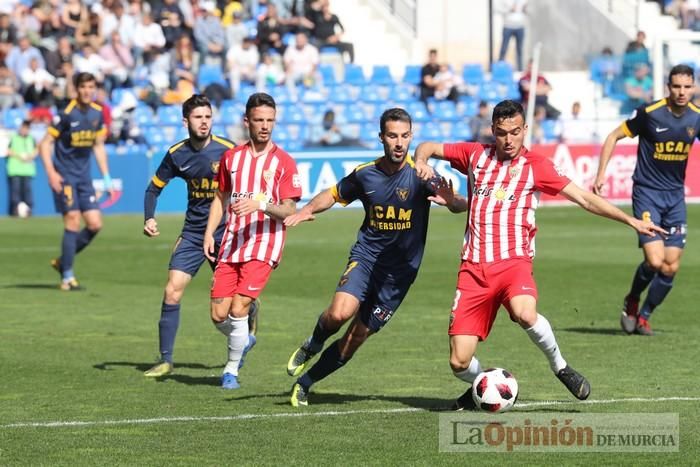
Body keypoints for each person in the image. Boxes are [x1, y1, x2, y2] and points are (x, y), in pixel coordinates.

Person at [414, 99, 663, 410]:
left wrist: (630, 220)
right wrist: (421, 161)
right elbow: (427, 146)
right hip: (473, 269)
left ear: (525, 129)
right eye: (502, 132)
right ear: (492, 131)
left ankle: (560, 366)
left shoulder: (537, 167)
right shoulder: (475, 155)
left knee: (524, 312)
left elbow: (584, 199)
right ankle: (484, 382)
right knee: (458, 361)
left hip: (513, 263)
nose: (509, 139)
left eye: (515, 132)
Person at [284, 108, 468, 407]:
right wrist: (307, 210)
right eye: (392, 136)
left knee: (353, 340)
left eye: (405, 136)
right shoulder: (365, 173)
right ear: (381, 137)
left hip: (399, 276)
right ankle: (313, 343)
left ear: (411, 137)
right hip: (367, 259)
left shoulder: (423, 176)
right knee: (339, 313)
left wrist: (451, 202)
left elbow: (458, 203)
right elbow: (332, 193)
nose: (399, 143)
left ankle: (306, 382)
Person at [142, 94, 258, 377]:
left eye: (207, 117)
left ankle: (247, 323)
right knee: (172, 290)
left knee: (225, 311)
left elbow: (253, 185)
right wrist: (149, 218)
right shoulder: (177, 154)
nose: (204, 122)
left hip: (227, 235)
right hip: (194, 234)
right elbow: (153, 189)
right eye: (198, 117)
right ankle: (166, 360)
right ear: (186, 121)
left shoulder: (230, 151)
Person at [203, 92, 302, 389]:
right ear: (247, 121)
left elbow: (289, 209)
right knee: (219, 314)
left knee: (237, 309)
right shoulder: (231, 158)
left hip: (264, 243)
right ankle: (244, 336)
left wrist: (259, 205)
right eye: (259, 120)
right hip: (232, 240)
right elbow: (220, 196)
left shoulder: (284, 162)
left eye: (270, 120)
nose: (265, 126)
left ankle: (230, 371)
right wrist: (209, 232)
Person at [593, 64, 700, 336]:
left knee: (671, 265)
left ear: (694, 87)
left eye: (687, 87)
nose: (682, 92)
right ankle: (632, 299)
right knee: (655, 260)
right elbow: (613, 136)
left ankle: (644, 316)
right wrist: (601, 174)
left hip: (675, 198)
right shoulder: (649, 113)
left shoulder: (696, 117)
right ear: (668, 87)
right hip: (647, 194)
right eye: (676, 86)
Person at [39, 72, 114, 291]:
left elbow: (98, 146)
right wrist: (51, 173)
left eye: (91, 87)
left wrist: (107, 176)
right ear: (76, 89)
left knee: (95, 224)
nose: (88, 91)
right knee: (72, 219)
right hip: (65, 176)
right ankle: (67, 276)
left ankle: (63, 261)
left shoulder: (97, 114)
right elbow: (45, 144)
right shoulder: (65, 114)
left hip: (84, 178)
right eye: (84, 87)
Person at [6, 119, 38, 216]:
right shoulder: (14, 137)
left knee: (27, 191)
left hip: (27, 170)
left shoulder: (31, 138)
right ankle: (15, 210)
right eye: (24, 127)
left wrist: (30, 156)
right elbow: (8, 150)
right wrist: (20, 156)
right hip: (15, 169)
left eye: (27, 128)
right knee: (15, 191)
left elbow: (37, 149)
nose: (25, 130)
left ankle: (28, 211)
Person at [497, 0, 527, 71]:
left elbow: (529, 10)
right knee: (504, 49)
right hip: (508, 26)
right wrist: (509, 9)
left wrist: (525, 10)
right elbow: (498, 9)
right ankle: (499, 69)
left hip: (520, 26)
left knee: (519, 50)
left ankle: (520, 70)